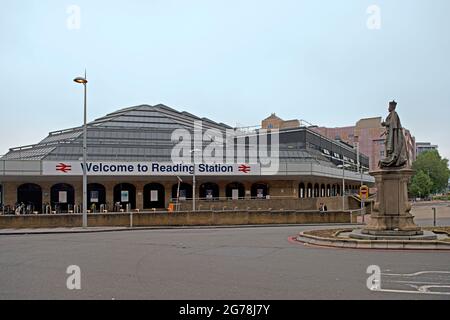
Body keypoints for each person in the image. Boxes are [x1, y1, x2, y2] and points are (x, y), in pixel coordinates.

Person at [379, 100, 408, 168]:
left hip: (393, 135)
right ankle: (390, 157)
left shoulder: (394, 114)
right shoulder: (392, 114)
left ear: (392, 107)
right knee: (388, 145)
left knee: (391, 145)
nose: (388, 108)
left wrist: (384, 123)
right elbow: (391, 125)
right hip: (390, 134)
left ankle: (392, 158)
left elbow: (392, 124)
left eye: (389, 106)